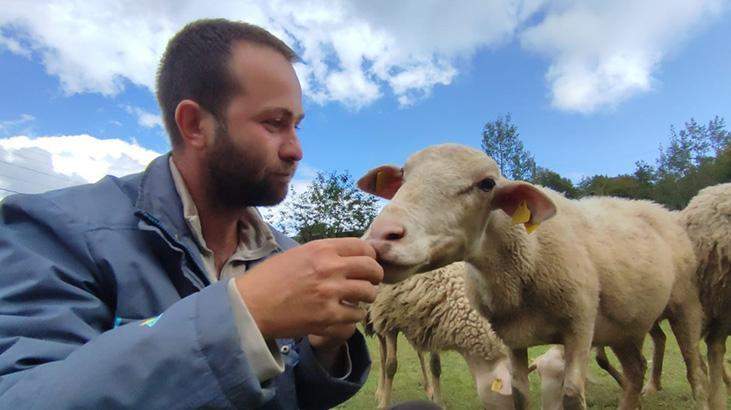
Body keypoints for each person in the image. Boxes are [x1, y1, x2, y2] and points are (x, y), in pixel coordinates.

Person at [0, 19, 382, 409]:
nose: (296, 150)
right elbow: (18, 395)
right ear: (195, 125)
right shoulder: (54, 230)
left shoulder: (283, 254)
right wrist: (245, 312)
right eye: (274, 123)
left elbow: (293, 397)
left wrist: (325, 347)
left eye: (297, 126)